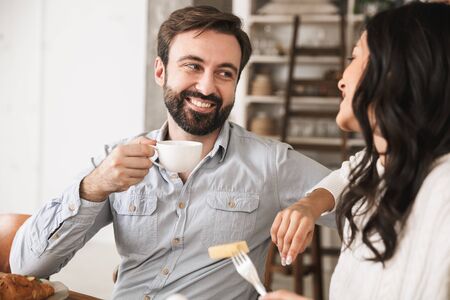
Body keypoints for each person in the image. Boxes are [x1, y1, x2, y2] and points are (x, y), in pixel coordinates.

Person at [10, 6, 332, 299]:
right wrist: (94, 186)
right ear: (160, 71)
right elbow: (26, 265)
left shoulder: (269, 162)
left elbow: (365, 205)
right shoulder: (117, 160)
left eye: (224, 73)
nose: (207, 88)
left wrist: (310, 204)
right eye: (193, 66)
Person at [265, 2, 450, 299]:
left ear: (396, 71)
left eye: (355, 58)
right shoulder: (384, 164)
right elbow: (347, 174)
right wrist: (309, 205)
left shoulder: (442, 193)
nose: (341, 80)